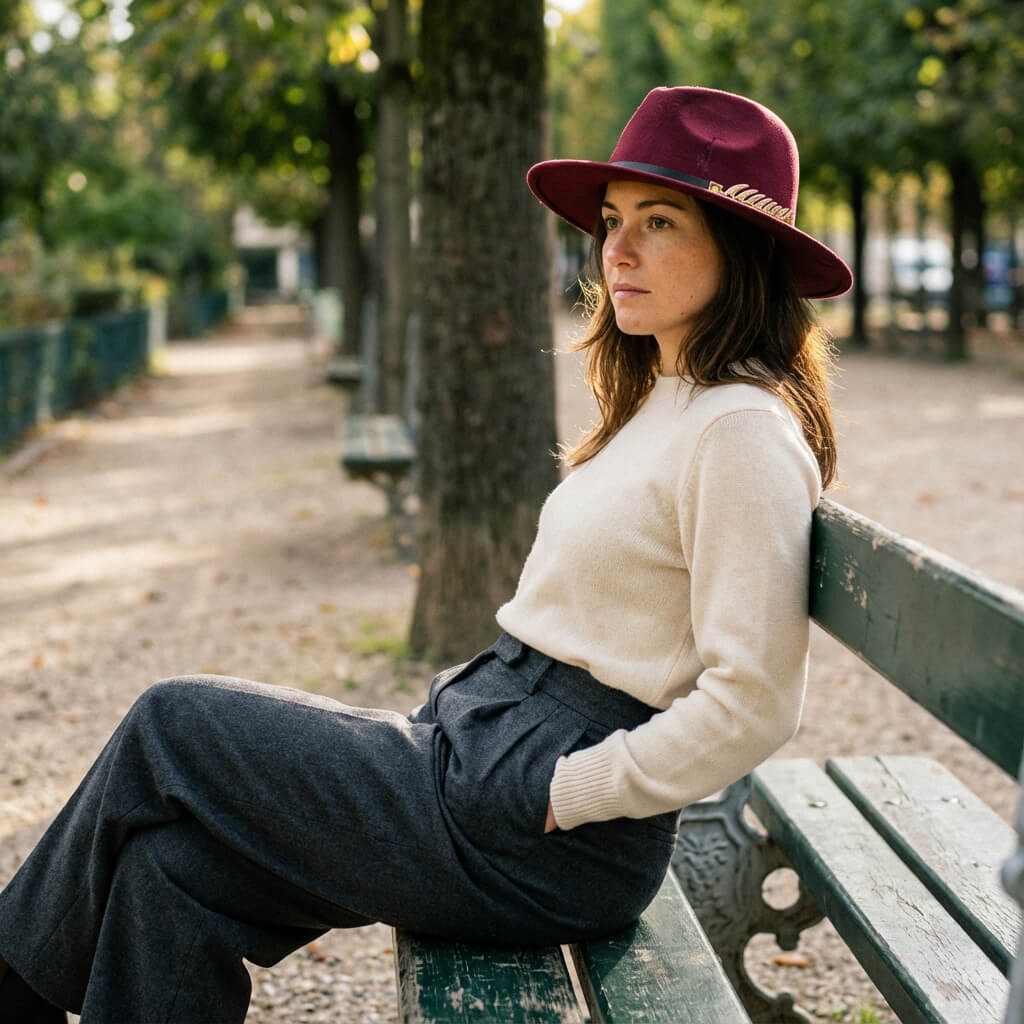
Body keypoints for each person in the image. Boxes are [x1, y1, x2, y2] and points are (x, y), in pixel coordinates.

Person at [0, 85, 851, 1024]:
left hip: (549, 830)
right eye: (612, 221)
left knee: (172, 723)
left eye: (660, 222)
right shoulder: (669, 397)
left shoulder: (740, 430)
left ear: (743, 246)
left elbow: (756, 700)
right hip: (487, 752)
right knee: (169, 872)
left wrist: (569, 791)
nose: (618, 250)